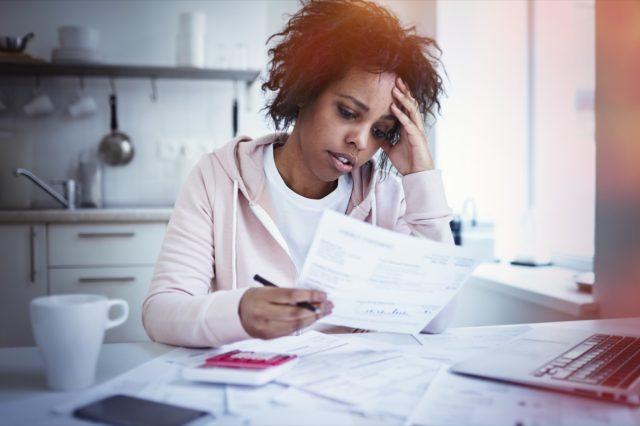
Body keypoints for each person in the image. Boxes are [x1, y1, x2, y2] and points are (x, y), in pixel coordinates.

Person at [143, 0, 454, 348]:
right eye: (348, 112)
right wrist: (239, 312)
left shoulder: (388, 196)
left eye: (381, 131)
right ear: (305, 89)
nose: (360, 141)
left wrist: (422, 177)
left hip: (350, 390)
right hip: (253, 389)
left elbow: (434, 318)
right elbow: (161, 312)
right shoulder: (218, 178)